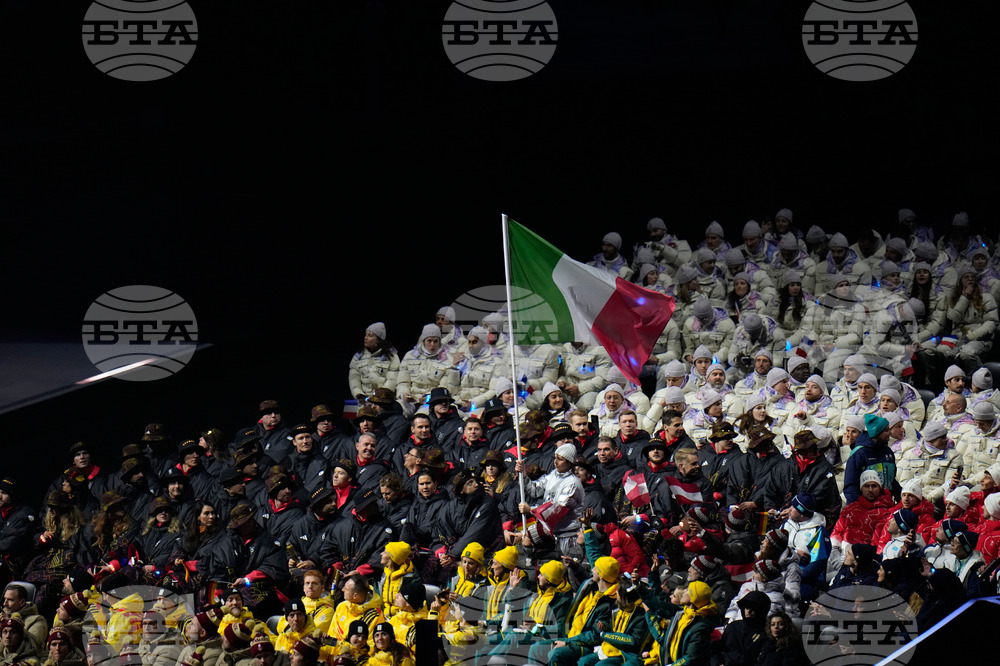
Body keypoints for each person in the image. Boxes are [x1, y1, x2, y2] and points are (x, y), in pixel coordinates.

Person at [643, 580, 718, 666]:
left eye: (687, 590)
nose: (684, 591)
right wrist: (639, 587)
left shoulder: (700, 627)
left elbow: (690, 658)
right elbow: (657, 604)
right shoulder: (682, 613)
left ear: (692, 599)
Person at [349, 322, 400, 401]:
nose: (365, 338)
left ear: (378, 340)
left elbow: (392, 379)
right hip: (364, 400)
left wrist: (380, 395)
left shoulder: (391, 357)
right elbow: (354, 378)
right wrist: (358, 393)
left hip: (383, 400)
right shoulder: (358, 357)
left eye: (370, 336)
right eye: (365, 335)